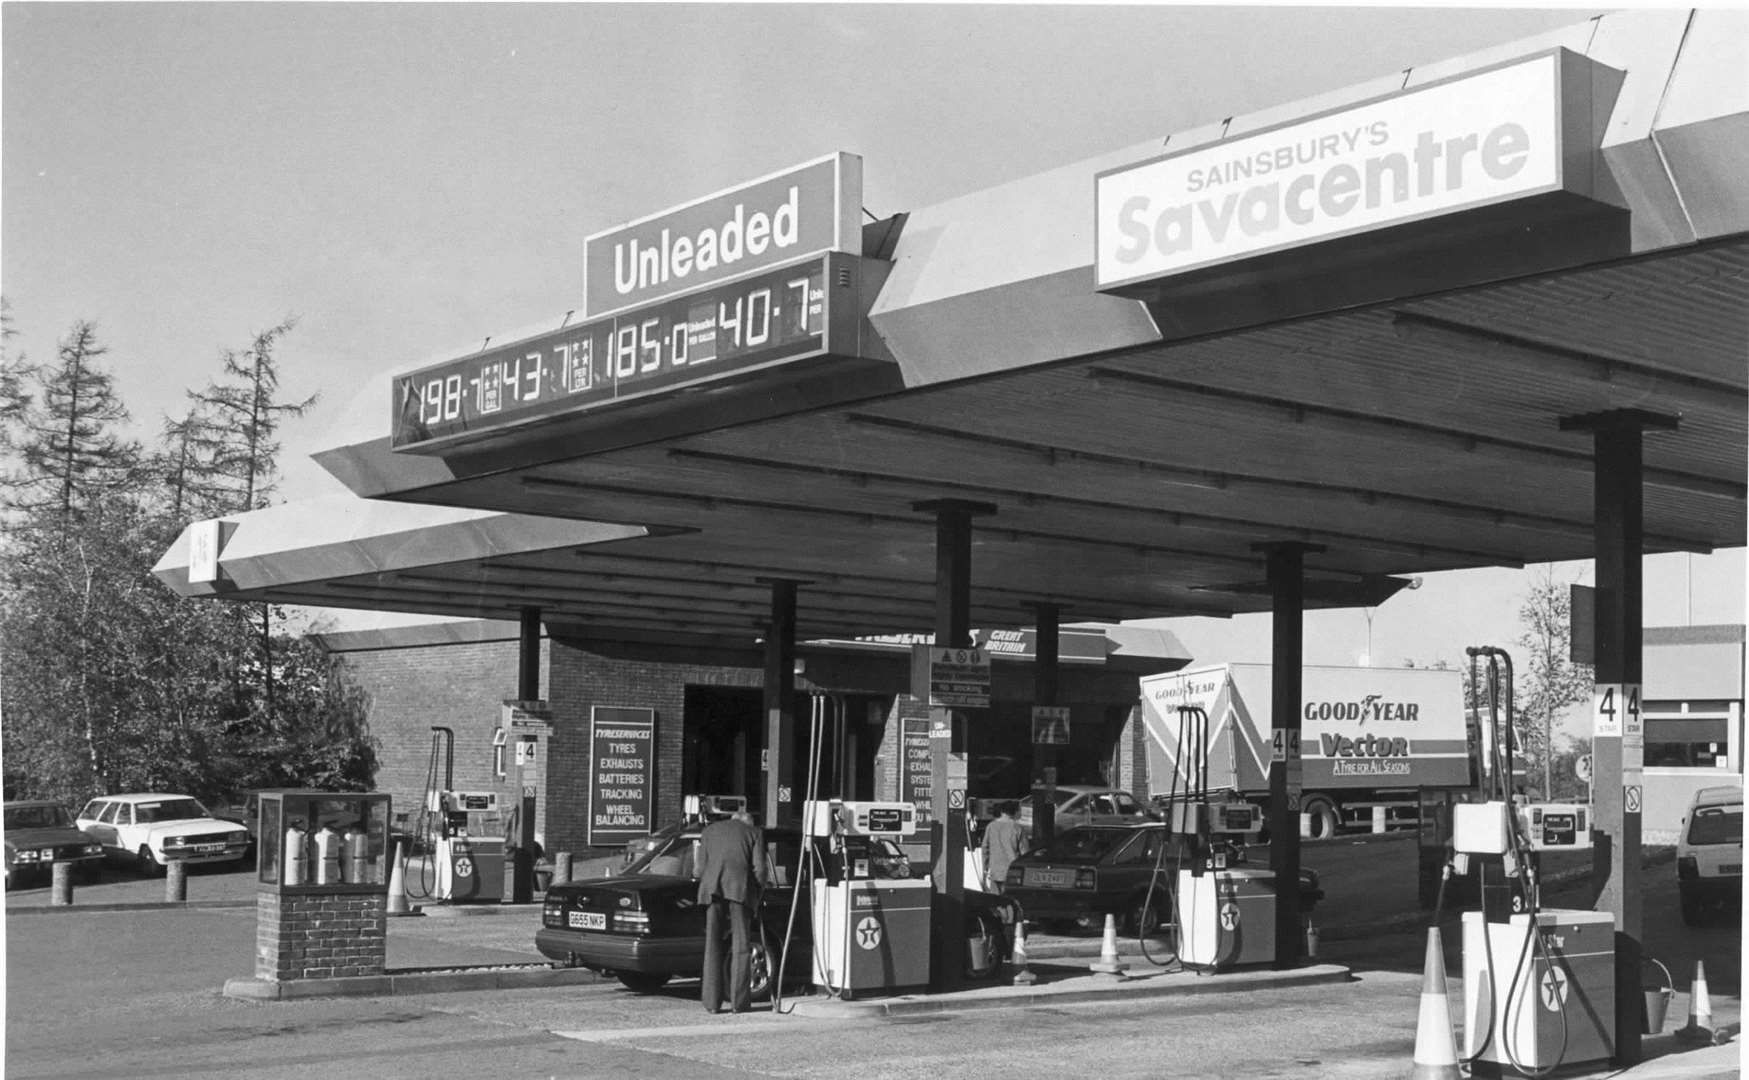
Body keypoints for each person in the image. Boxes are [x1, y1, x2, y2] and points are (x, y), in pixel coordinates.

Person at [694, 807, 773, 1013]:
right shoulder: (754, 833)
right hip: (740, 891)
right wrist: (759, 891)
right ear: (749, 822)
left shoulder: (709, 831)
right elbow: (760, 869)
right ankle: (739, 1003)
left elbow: (698, 869)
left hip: (712, 890)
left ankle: (711, 1003)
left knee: (712, 945)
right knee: (741, 947)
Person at [980, 799, 1028, 894]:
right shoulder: (1017, 828)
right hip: (1012, 872)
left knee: (995, 901)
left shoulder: (991, 826)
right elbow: (1025, 853)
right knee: (1010, 900)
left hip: (995, 870)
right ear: (1015, 812)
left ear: (1001, 812)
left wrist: (985, 868)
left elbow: (985, 848)